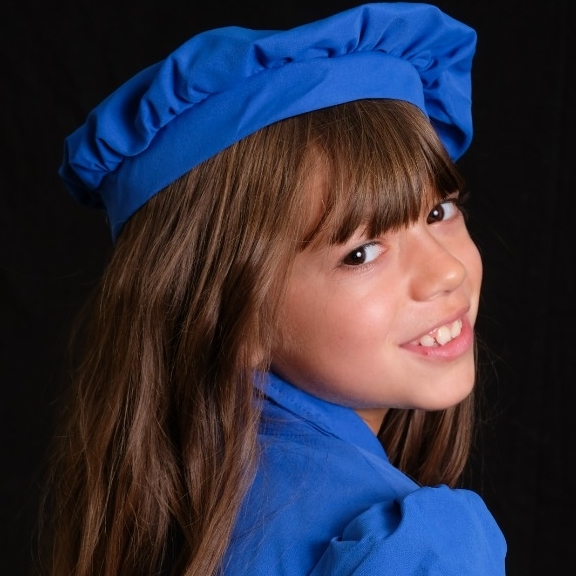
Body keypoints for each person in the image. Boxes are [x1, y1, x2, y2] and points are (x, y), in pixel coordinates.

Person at [39, 2, 507, 575]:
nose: (446, 272)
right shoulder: (411, 551)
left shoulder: (175, 503)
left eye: (439, 211)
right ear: (232, 316)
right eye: (361, 252)